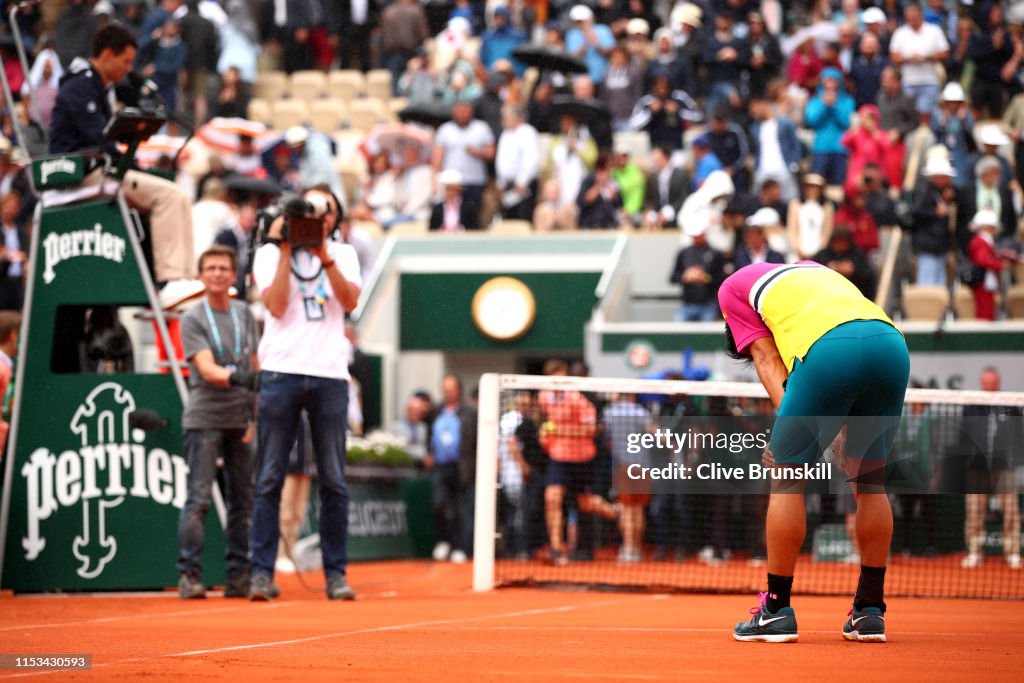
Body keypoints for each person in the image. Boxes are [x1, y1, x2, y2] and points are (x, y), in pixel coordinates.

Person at [722, 261, 909, 643]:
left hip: (828, 351)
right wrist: (837, 431)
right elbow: (853, 343)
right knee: (870, 482)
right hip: (890, 343)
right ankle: (869, 611)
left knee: (787, 478)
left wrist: (788, 436)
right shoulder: (812, 272)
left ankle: (775, 610)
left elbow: (767, 359)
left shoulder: (732, 291)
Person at [248, 190, 362, 602]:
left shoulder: (344, 254)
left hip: (329, 374)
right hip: (282, 371)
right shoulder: (268, 254)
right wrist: (284, 249)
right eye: (308, 211)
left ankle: (336, 575)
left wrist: (322, 253)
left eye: (325, 211)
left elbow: (349, 301)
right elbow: (276, 306)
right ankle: (261, 573)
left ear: (335, 217)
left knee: (334, 479)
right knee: (269, 477)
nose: (317, 217)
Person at [48, 24, 199, 308]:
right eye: (126, 61)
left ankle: (185, 278)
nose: (129, 69)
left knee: (178, 194)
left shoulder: (101, 87)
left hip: (100, 169)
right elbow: (98, 139)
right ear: (107, 54)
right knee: (169, 196)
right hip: (81, 173)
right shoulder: (80, 85)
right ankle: (169, 280)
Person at [176, 245, 260, 600]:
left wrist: (255, 415)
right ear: (200, 275)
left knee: (242, 501)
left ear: (233, 274)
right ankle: (189, 575)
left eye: (224, 267)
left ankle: (239, 576)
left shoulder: (245, 314)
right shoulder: (193, 317)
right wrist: (239, 379)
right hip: (205, 417)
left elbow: (255, 364)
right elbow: (208, 369)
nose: (217, 273)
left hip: (240, 420)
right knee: (199, 499)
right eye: (210, 268)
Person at [538, 359, 618, 566]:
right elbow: (545, 424)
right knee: (552, 498)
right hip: (558, 457)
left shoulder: (578, 399)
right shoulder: (544, 397)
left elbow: (592, 430)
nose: (558, 385)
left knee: (584, 503)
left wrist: (561, 431)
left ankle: (614, 511)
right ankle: (556, 548)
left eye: (562, 381)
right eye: (554, 381)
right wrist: (545, 435)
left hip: (583, 458)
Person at [961, 368, 1022, 570]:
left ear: (998, 382)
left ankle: (1012, 552)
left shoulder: (1010, 405)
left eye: (993, 381)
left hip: (1004, 467)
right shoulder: (971, 406)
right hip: (977, 468)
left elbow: (1018, 434)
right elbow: (964, 435)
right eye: (986, 381)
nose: (989, 385)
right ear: (981, 382)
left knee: (1011, 511)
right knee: (974, 511)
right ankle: (975, 552)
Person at [426, 374, 477, 564]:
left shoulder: (470, 412)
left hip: (462, 468)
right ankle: (445, 541)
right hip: (440, 466)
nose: (447, 392)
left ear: (458, 390)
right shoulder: (436, 411)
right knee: (439, 504)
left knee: (462, 510)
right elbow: (430, 435)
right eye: (444, 388)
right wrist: (429, 453)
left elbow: (475, 440)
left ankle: (460, 547)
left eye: (450, 388)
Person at [670, 221, 725, 322]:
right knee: (677, 333)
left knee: (706, 336)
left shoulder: (715, 253)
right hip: (687, 303)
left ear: (705, 234)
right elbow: (673, 277)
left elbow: (721, 279)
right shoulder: (684, 253)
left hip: (708, 304)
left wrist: (705, 277)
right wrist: (685, 276)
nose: (696, 238)